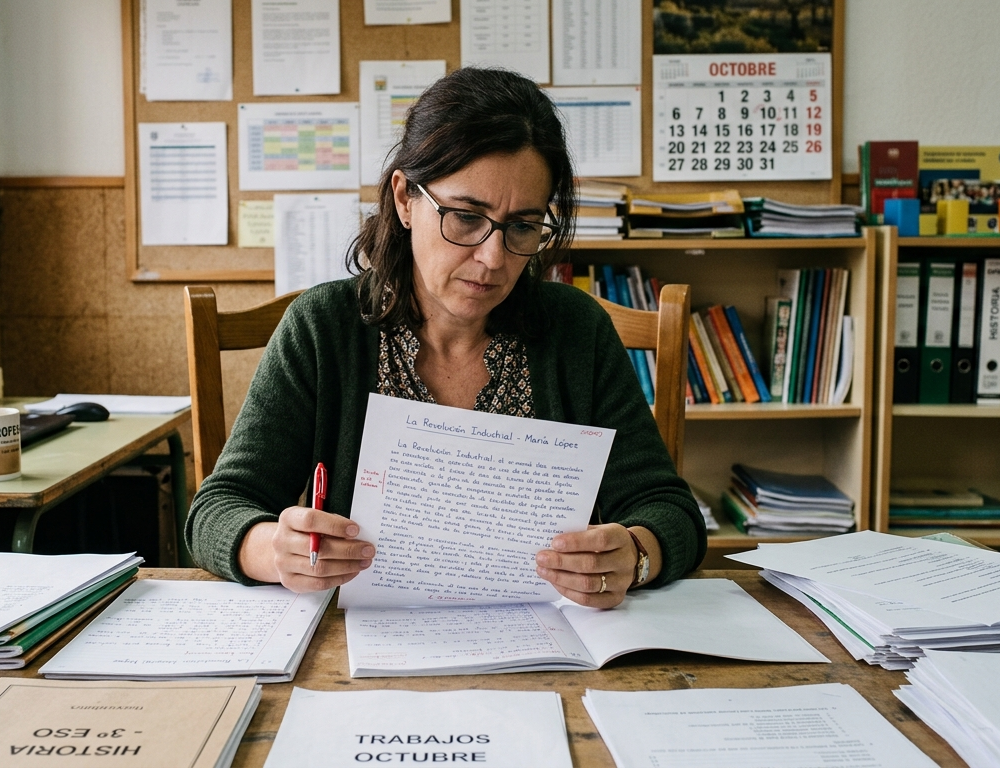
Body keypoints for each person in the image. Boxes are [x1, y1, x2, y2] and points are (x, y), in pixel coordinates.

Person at [187, 67, 706, 609]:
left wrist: (636, 554)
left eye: (523, 226)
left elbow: (669, 510)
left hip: (544, 650)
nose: (493, 258)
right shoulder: (323, 329)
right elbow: (218, 510)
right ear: (406, 199)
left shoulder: (574, 330)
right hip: (365, 647)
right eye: (464, 217)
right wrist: (273, 549)